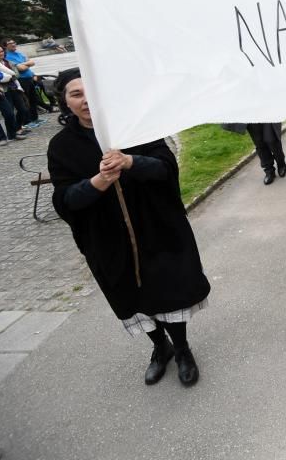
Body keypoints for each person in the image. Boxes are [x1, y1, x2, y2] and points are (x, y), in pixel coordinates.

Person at [48, 68, 210, 386]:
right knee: (131, 297)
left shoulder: (136, 127)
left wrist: (130, 162)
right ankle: (159, 347)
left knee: (170, 291)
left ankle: (181, 348)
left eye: (90, 92)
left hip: (157, 230)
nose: (86, 101)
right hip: (107, 239)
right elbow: (64, 200)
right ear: (65, 102)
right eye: (76, 94)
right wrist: (98, 182)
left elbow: (165, 168)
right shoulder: (61, 146)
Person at [3, 38, 49, 127]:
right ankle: (27, 121)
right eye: (10, 43)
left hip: (29, 79)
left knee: (33, 99)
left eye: (14, 42)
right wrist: (27, 63)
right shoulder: (7, 56)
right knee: (25, 101)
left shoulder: (19, 53)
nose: (13, 44)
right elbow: (21, 69)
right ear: (5, 46)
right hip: (21, 80)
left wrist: (24, 64)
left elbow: (32, 62)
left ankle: (35, 118)